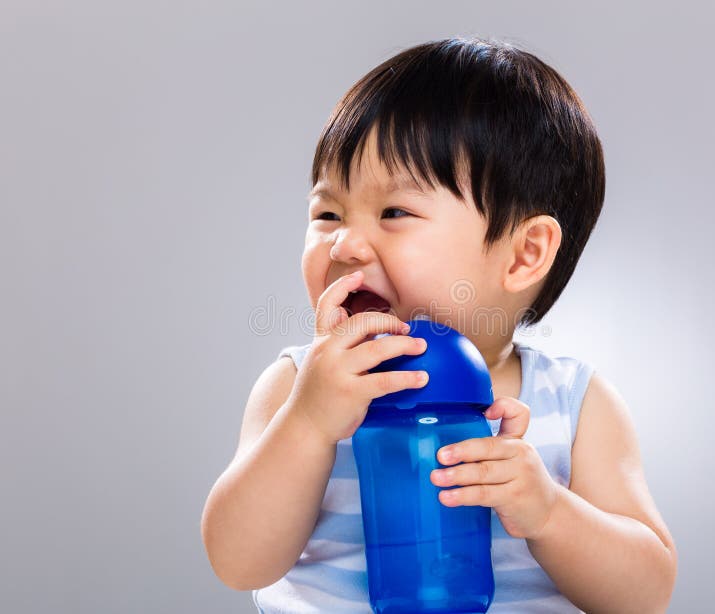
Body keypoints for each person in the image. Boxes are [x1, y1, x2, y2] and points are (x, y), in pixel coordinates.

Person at [201, 37, 677, 613]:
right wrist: (306, 425)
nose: (345, 244)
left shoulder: (574, 404)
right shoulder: (296, 387)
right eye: (327, 214)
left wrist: (550, 511)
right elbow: (238, 562)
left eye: (394, 213)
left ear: (524, 254)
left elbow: (645, 595)